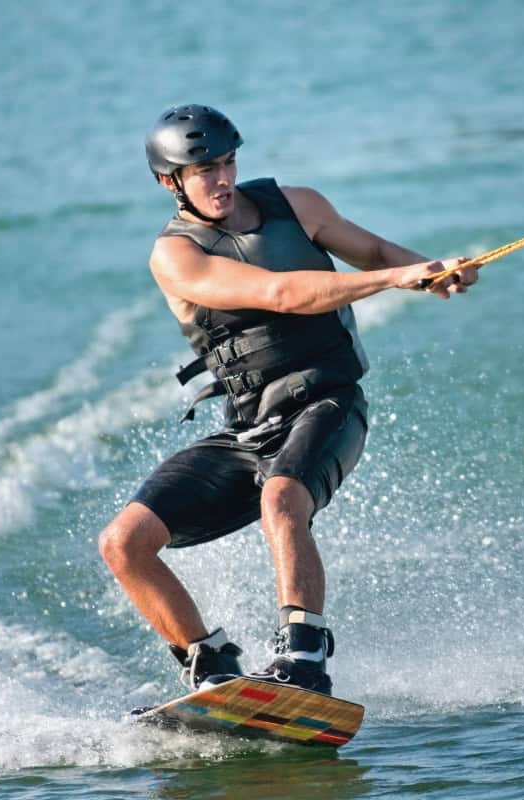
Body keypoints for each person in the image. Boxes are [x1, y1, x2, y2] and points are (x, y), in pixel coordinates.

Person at [98, 104, 475, 695]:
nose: (221, 179)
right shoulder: (175, 255)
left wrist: (428, 269)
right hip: (250, 426)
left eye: (227, 162)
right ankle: (211, 663)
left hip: (328, 401)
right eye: (203, 170)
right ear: (169, 182)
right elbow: (281, 292)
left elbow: (373, 252)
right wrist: (392, 281)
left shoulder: (296, 205)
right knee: (123, 544)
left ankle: (303, 655)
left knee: (282, 497)